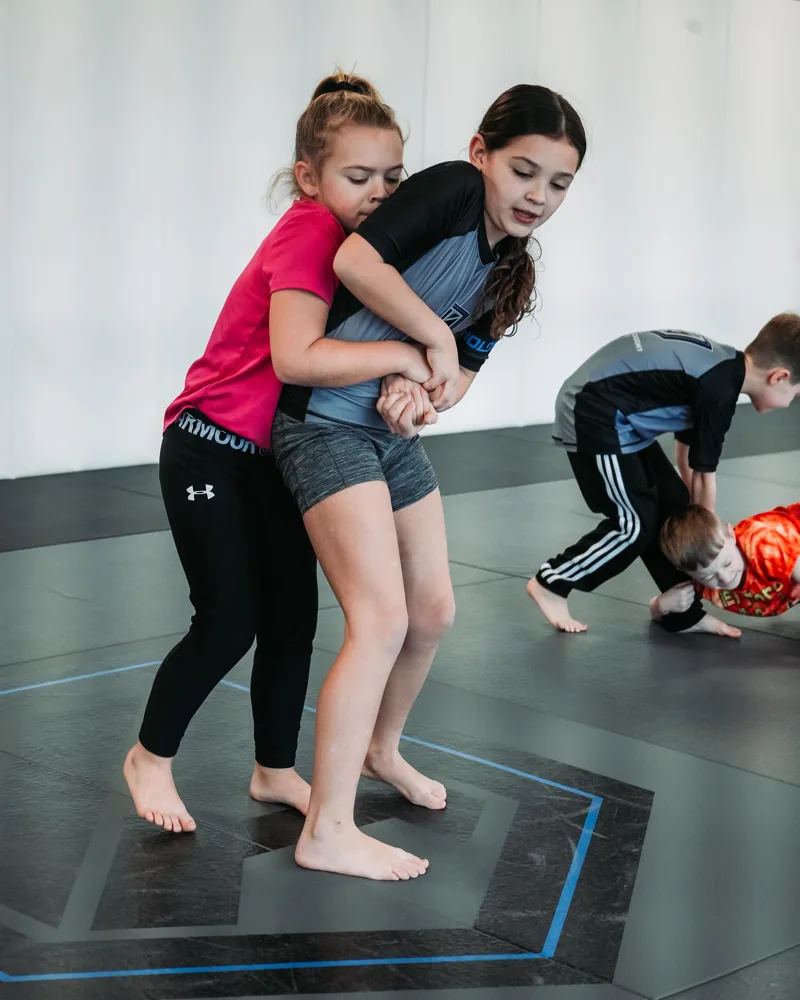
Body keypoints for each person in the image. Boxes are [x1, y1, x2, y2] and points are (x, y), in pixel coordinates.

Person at [270, 84, 587, 880]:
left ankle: (382, 749)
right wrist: (431, 345)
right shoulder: (451, 191)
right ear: (482, 153)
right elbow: (354, 261)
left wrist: (422, 394)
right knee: (379, 620)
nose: (537, 196)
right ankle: (326, 829)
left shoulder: (511, 270)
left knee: (434, 611)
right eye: (523, 171)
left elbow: (456, 388)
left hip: (390, 436)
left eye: (558, 184)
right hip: (323, 425)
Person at [123, 71, 434, 834]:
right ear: (309, 177)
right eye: (358, 177)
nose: (380, 193)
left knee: (293, 621)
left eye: (393, 177)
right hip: (210, 448)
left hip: (275, 458)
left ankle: (274, 770)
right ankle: (149, 757)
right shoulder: (310, 233)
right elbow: (297, 358)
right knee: (229, 619)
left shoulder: (362, 248)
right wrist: (411, 354)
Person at [527, 313, 800, 635]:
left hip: (621, 417)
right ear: (779, 377)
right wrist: (706, 537)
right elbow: (704, 476)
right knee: (633, 524)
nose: (791, 403)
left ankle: (683, 615)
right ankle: (552, 582)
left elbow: (687, 449)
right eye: (796, 394)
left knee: (673, 505)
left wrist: (690, 518)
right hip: (594, 411)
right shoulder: (719, 392)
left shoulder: (724, 368)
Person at [653, 501, 800, 623]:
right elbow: (658, 615)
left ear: (731, 535)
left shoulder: (766, 546)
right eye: (709, 576)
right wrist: (660, 606)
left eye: (727, 563)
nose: (725, 577)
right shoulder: (699, 582)